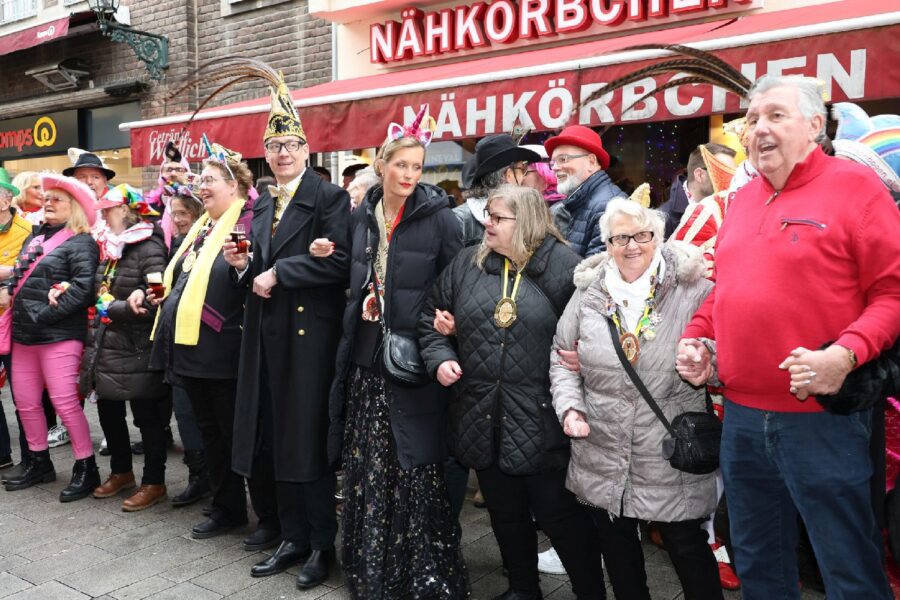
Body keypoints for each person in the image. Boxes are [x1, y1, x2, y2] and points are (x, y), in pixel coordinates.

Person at [678, 75, 898, 599]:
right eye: (752, 119)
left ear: (815, 126)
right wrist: (698, 338)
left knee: (845, 562)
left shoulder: (856, 189)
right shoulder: (743, 200)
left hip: (823, 419)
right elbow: (725, 289)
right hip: (742, 419)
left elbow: (892, 293)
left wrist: (845, 356)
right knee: (758, 561)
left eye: (776, 115)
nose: (759, 129)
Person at [419, 184, 605, 600]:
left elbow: (592, 334)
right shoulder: (468, 263)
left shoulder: (565, 269)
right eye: (488, 214)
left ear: (528, 223)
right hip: (479, 413)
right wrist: (441, 355)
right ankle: (523, 589)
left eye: (498, 217)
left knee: (561, 517)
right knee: (505, 514)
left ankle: (590, 592)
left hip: (540, 417)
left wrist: (584, 358)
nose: (487, 223)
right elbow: (429, 318)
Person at [326, 106, 468, 598]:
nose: (409, 175)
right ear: (381, 165)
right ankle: (374, 569)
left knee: (414, 463)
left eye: (417, 166)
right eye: (401, 165)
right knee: (369, 463)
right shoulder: (360, 215)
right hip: (366, 358)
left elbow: (457, 281)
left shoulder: (441, 218)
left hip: (413, 360)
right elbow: (356, 275)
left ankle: (420, 571)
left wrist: (448, 324)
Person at [550, 195, 722, 600]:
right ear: (606, 244)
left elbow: (730, 348)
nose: (632, 246)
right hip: (603, 447)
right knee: (618, 549)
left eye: (642, 235)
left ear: (659, 238)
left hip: (667, 450)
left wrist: (709, 361)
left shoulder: (695, 290)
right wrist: (570, 407)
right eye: (620, 238)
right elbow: (560, 358)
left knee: (685, 545)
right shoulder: (588, 295)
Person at [224, 72, 351, 588]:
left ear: (306, 148)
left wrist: (282, 272)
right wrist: (241, 266)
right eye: (274, 145)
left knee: (306, 441)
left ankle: (323, 544)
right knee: (274, 438)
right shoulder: (261, 203)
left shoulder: (328, 197)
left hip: (307, 340)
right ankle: (292, 537)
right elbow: (255, 266)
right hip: (264, 335)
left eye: (291, 144)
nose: (282, 153)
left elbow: (341, 263)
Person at [148, 140, 275, 544]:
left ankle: (269, 519)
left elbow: (250, 280)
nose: (200, 186)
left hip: (227, 351)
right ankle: (227, 509)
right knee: (210, 436)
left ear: (235, 186)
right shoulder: (201, 227)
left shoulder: (247, 223)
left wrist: (244, 267)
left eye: (209, 180)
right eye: (200, 179)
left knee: (242, 439)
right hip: (190, 351)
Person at [1, 174, 100, 502]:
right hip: (23, 335)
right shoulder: (36, 237)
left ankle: (86, 467)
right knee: (26, 403)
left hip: (58, 334)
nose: (48, 202)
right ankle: (38, 462)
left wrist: (43, 316)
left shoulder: (81, 241)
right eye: (47, 198)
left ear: (75, 207)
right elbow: (20, 277)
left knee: (64, 402)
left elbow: (85, 289)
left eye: (57, 199)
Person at [79, 184, 170, 511]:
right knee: (109, 413)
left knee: (148, 418)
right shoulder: (113, 246)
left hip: (136, 349)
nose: (103, 215)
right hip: (107, 347)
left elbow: (155, 295)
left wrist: (110, 308)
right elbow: (97, 291)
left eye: (109, 210)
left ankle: (154, 481)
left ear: (128, 211)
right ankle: (121, 472)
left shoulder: (149, 246)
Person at [164, 189, 210, 507]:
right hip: (175, 340)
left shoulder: (206, 239)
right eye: (174, 214)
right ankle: (198, 475)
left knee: (202, 414)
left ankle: (211, 477)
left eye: (183, 213)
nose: (178, 219)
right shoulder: (177, 243)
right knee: (183, 412)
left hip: (202, 340)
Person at [544, 125, 624, 256]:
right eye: (553, 162)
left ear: (591, 162)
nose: (555, 168)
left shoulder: (608, 207)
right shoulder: (580, 200)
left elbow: (594, 272)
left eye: (563, 159)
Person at [0, 168, 33, 470]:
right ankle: (1, 454)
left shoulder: (26, 230)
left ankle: (31, 457)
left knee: (21, 391)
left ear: (7, 198)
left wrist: (6, 273)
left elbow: (30, 269)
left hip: (13, 321)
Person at [454, 135, 540, 247]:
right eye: (522, 169)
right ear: (509, 175)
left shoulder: (524, 215)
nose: (524, 177)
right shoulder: (460, 221)